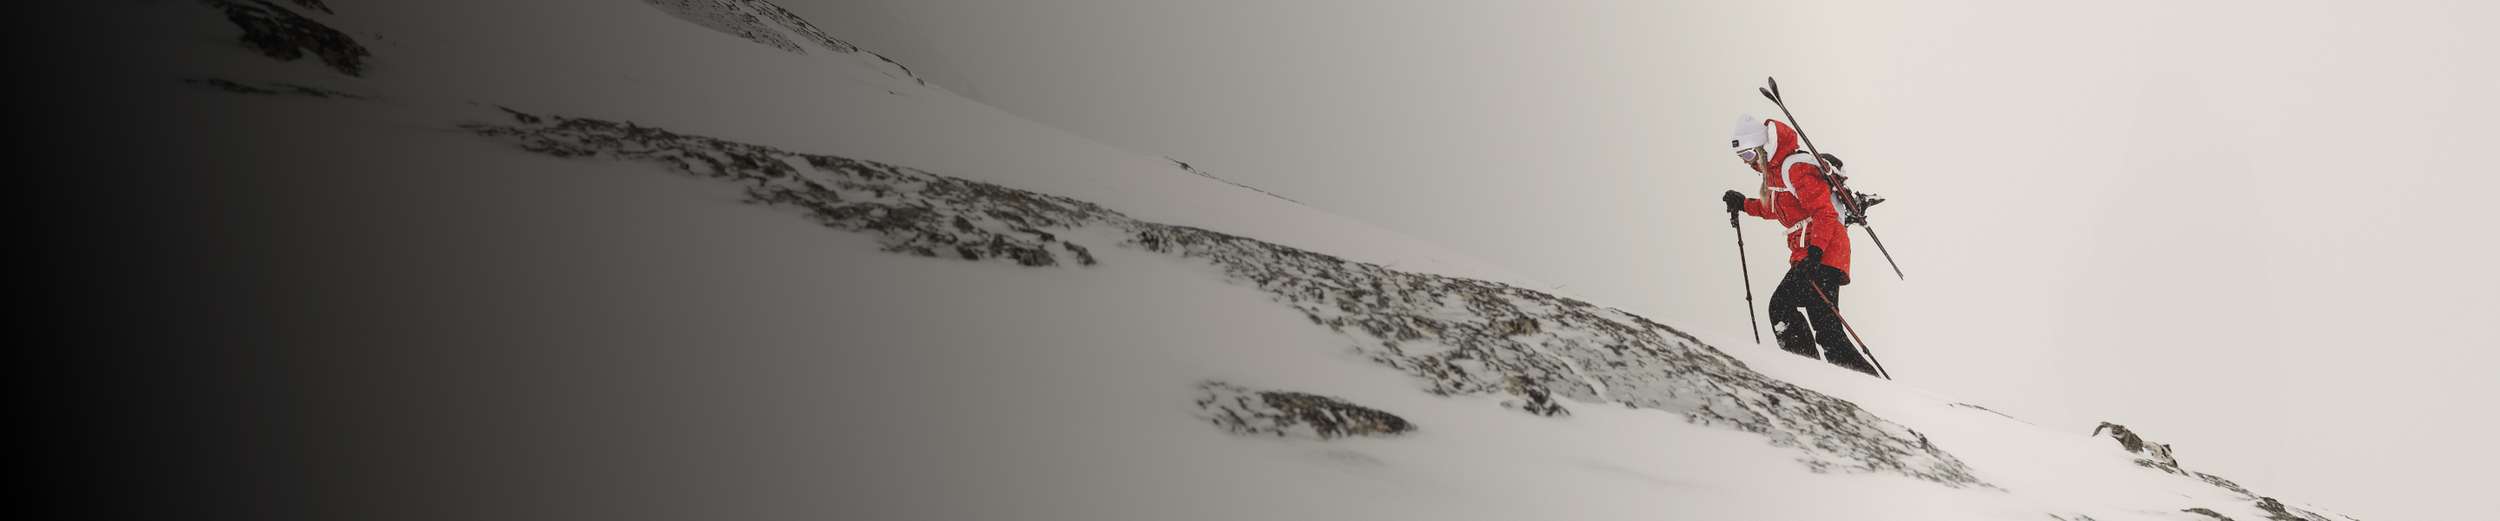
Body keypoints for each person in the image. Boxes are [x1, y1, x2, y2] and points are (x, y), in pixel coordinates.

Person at [1720, 114, 1879, 376]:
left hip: (1822, 251)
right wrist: (1744, 205)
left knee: (1781, 306)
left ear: (1760, 147)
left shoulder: (1793, 168)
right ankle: (1854, 381)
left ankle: (1806, 372)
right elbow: (1779, 210)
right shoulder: (1775, 174)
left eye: (1748, 155)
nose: (1748, 164)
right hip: (1814, 253)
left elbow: (1825, 213)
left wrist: (1815, 253)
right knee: (1827, 330)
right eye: (1742, 159)